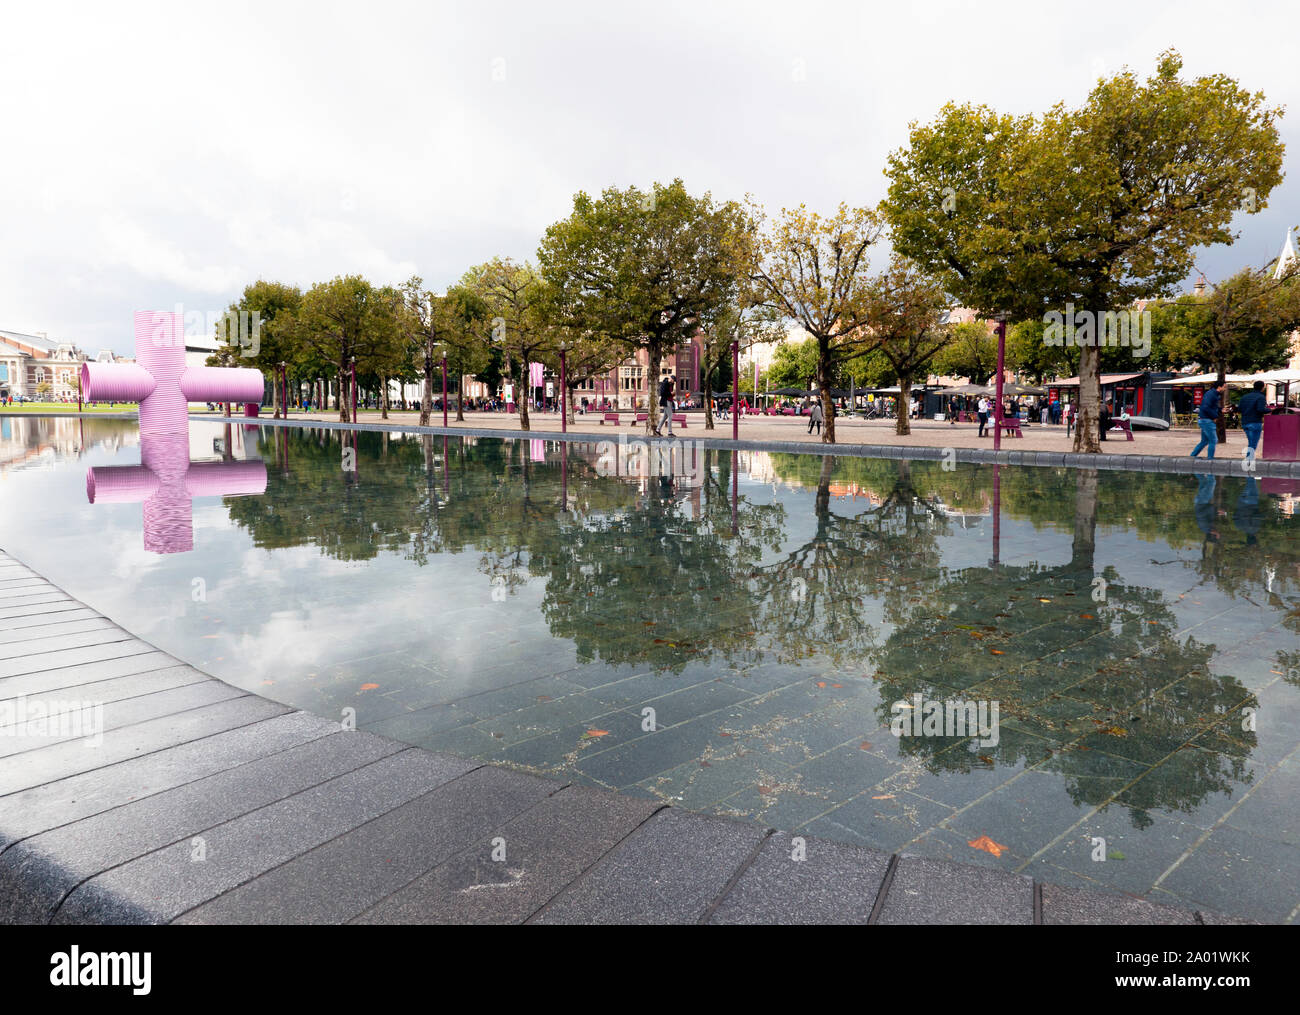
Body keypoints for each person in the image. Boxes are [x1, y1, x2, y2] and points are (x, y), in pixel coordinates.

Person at [1190, 380, 1226, 459]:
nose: (1225, 388)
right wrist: (1214, 417)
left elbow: (1210, 406)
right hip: (1207, 420)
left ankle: (1192, 456)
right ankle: (1210, 459)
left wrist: (1220, 409)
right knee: (1213, 440)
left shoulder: (1213, 394)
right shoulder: (1212, 394)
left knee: (1204, 441)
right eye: (1224, 387)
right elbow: (1206, 407)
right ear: (1219, 387)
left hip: (1204, 419)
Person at [1239, 380, 1267, 460]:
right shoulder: (1261, 397)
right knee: (1253, 443)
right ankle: (1248, 460)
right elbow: (1260, 409)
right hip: (1255, 422)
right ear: (1262, 388)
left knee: (1251, 442)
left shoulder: (1245, 397)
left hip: (1245, 422)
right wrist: (1270, 410)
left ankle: (1249, 459)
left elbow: (1240, 409)